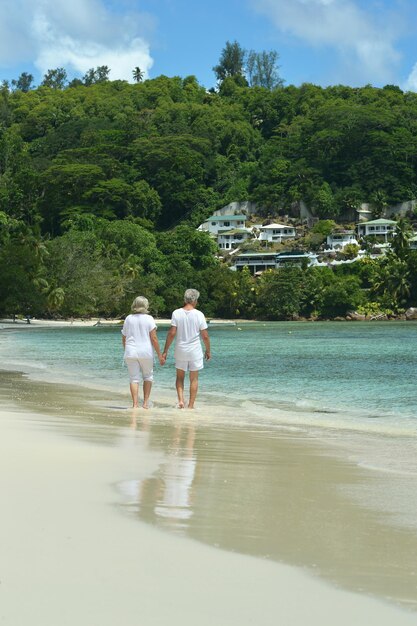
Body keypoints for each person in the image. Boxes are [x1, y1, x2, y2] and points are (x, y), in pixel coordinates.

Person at [162, 288, 210, 409]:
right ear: (195, 301)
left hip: (181, 349)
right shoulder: (199, 314)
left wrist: (165, 350)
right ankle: (191, 405)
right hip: (195, 351)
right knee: (194, 379)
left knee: (179, 377)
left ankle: (181, 401)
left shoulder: (176, 313)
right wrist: (208, 350)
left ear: (185, 299)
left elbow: (172, 333)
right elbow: (205, 336)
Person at [122, 296, 165, 409]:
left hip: (131, 351)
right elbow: (154, 338)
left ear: (134, 305)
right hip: (146, 352)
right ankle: (145, 404)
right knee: (148, 377)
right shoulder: (149, 319)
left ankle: (135, 404)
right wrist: (160, 355)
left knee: (133, 378)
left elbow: (124, 337)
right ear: (145, 306)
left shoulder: (128, 318)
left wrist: (126, 350)